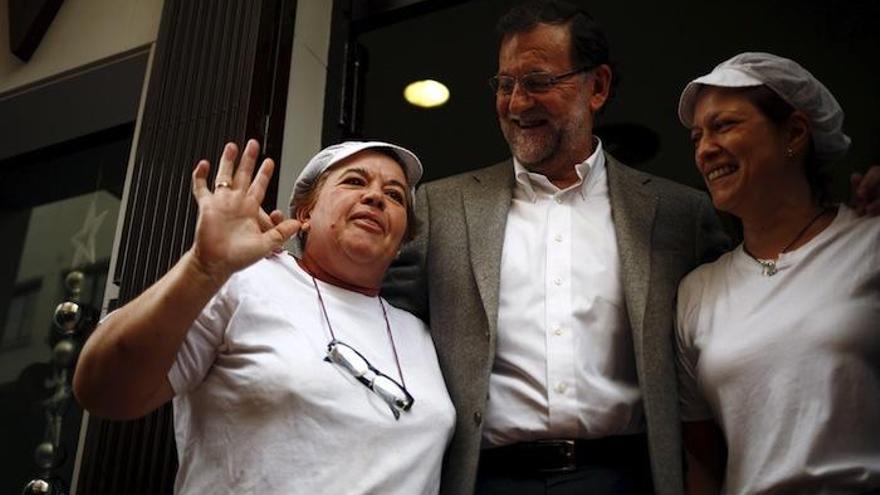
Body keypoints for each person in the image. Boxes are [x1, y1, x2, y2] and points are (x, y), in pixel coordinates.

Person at [383, 2, 731, 494]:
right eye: (504, 85)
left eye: (538, 82)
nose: (517, 103)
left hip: (627, 477)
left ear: (599, 87)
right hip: (485, 479)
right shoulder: (440, 208)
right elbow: (378, 330)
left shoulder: (679, 216)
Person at [73, 140, 455, 494]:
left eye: (395, 196)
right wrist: (203, 268)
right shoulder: (244, 282)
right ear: (305, 213)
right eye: (355, 181)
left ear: (403, 238)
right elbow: (102, 390)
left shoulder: (420, 334)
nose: (375, 197)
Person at [674, 52, 880, 495]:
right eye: (696, 137)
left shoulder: (870, 245)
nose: (705, 148)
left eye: (724, 125)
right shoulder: (697, 293)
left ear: (795, 132)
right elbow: (703, 463)